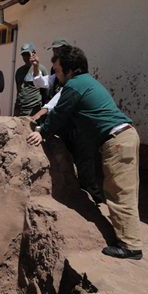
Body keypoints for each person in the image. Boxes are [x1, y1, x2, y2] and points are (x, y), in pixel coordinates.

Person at [27, 46, 142, 260]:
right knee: (125, 191)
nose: (55, 75)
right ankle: (129, 239)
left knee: (119, 193)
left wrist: (42, 132)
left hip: (116, 141)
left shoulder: (75, 85)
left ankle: (131, 247)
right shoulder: (85, 82)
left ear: (70, 70)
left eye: (57, 70)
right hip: (125, 137)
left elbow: (60, 113)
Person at [30, 39, 105, 205]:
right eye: (54, 51)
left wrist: (42, 125)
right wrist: (36, 66)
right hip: (66, 125)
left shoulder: (74, 79)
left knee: (85, 164)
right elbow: (39, 82)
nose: (55, 54)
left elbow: (60, 102)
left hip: (79, 128)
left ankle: (95, 200)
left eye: (59, 51)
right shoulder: (58, 73)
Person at [14, 42, 48, 116]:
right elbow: (19, 89)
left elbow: (46, 91)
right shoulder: (19, 71)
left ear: (34, 53)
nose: (26, 57)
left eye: (28, 54)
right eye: (23, 54)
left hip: (33, 109)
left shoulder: (41, 69)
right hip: (19, 109)